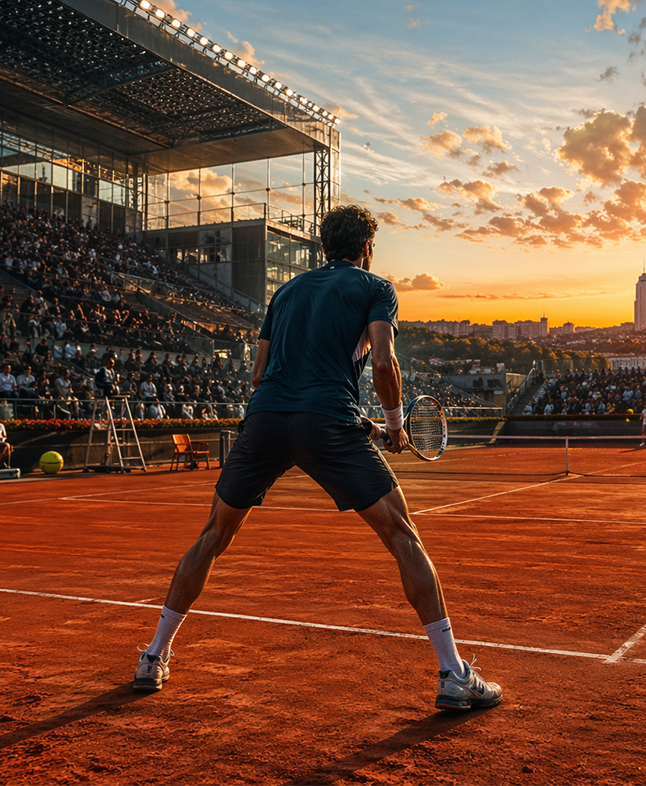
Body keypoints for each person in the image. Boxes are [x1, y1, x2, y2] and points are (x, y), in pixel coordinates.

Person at [131, 205, 502, 711]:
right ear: (367, 248)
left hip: (266, 417)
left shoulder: (285, 292)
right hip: (325, 420)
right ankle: (454, 675)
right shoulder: (377, 288)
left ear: (323, 247)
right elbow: (384, 361)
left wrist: (345, 415)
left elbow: (259, 374)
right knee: (402, 536)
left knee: (213, 535)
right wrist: (393, 424)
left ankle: (154, 656)